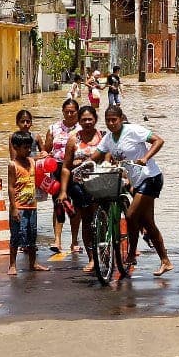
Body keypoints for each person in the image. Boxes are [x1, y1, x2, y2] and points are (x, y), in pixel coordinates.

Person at [92, 105, 172, 277]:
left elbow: (158, 141)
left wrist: (145, 158)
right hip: (137, 182)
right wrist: (83, 165)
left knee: (130, 215)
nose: (111, 123)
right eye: (108, 120)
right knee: (148, 223)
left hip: (150, 177)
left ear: (121, 119)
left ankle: (131, 254)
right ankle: (165, 261)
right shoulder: (108, 139)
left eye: (114, 120)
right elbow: (96, 155)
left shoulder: (133, 130)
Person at [57, 105, 103, 270]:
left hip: (101, 184)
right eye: (84, 120)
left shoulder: (104, 137)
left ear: (95, 119)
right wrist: (63, 191)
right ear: (79, 121)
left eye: (90, 119)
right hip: (79, 185)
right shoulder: (73, 140)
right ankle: (91, 258)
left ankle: (105, 252)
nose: (87, 122)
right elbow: (65, 167)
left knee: (101, 219)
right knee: (87, 221)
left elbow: (109, 159)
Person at [7, 132, 50, 275]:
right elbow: (11, 187)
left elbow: (43, 164)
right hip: (19, 206)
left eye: (29, 147)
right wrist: (13, 208)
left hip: (32, 205)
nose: (28, 150)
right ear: (16, 147)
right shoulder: (13, 165)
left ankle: (33, 263)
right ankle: (12, 265)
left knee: (32, 235)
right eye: (25, 148)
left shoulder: (31, 162)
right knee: (16, 236)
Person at [44, 99, 79, 253]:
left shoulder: (82, 128)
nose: (70, 114)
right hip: (57, 168)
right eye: (67, 111)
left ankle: (74, 240)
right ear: (63, 111)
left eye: (72, 111)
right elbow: (46, 150)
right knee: (58, 203)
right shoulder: (53, 128)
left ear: (77, 112)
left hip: (77, 169)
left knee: (75, 205)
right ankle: (57, 240)